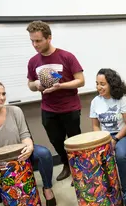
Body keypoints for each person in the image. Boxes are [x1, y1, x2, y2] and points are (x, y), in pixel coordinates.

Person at [26, 20, 85, 181]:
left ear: (49, 38)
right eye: (32, 40)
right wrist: (35, 84)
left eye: (38, 40)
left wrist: (60, 86)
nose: (35, 44)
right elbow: (30, 84)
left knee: (75, 141)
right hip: (49, 109)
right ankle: (67, 165)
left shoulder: (66, 56)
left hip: (70, 107)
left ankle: (79, 171)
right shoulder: (33, 62)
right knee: (56, 141)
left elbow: (80, 81)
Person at [0, 80, 57, 206]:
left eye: (3, 93)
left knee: (44, 154)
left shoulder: (15, 111)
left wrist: (30, 148)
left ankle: (47, 189)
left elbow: (25, 135)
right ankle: (2, 197)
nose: (2, 97)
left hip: (20, 154)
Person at [89, 68, 126, 206]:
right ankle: (108, 190)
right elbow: (95, 126)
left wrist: (115, 139)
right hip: (104, 137)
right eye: (97, 83)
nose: (98, 87)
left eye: (102, 84)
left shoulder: (123, 99)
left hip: (123, 135)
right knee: (94, 156)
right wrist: (102, 139)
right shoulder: (95, 102)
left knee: (120, 155)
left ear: (111, 84)